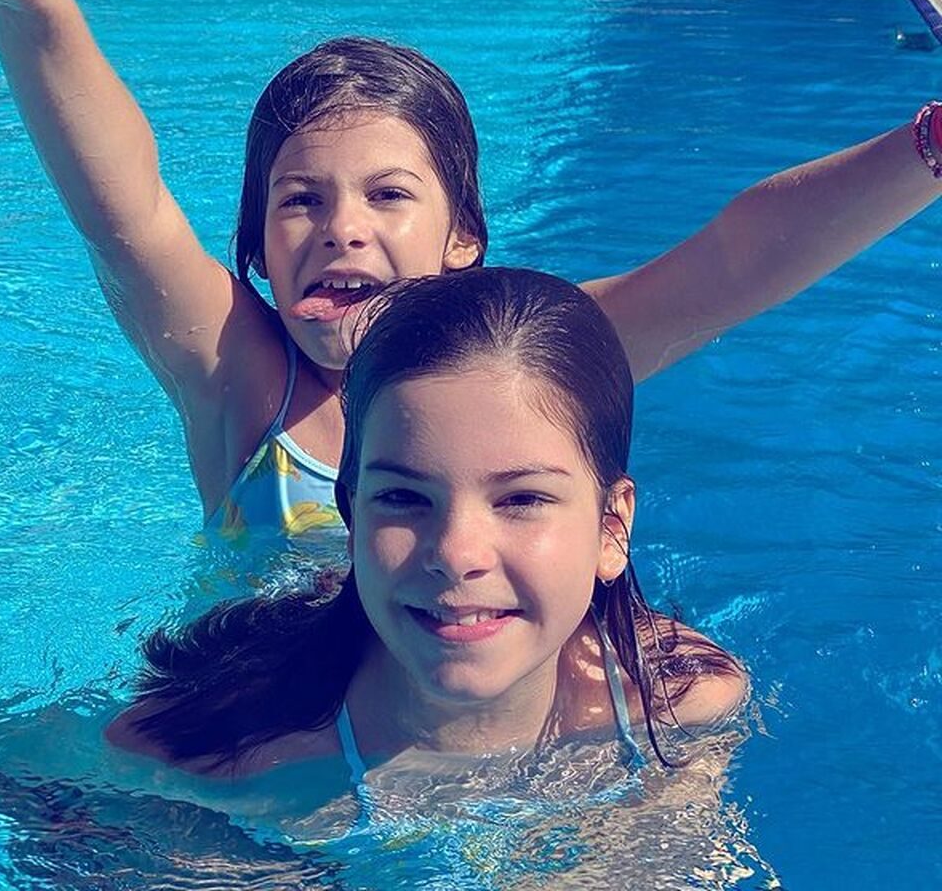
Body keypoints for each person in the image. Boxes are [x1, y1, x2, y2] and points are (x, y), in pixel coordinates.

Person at [0, 0, 941, 560]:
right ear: (256, 252)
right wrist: (30, 1)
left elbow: (732, 265)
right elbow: (126, 212)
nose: (341, 226)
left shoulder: (530, 361)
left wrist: (929, 145)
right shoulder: (245, 383)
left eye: (388, 194)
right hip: (263, 749)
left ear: (464, 241)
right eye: (300, 200)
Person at [107, 268, 747, 806]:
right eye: (404, 498)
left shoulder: (679, 702)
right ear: (352, 519)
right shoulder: (215, 759)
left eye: (521, 499)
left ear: (611, 527)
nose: (455, 555)